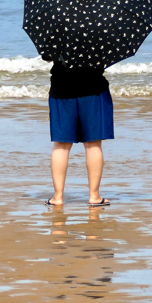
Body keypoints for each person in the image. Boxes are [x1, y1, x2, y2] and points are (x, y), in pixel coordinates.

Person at [45, 62, 113, 207]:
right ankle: (94, 196)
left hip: (61, 87)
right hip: (93, 88)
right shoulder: (98, 37)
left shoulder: (58, 37)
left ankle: (58, 197)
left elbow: (47, 55)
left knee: (61, 144)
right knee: (93, 144)